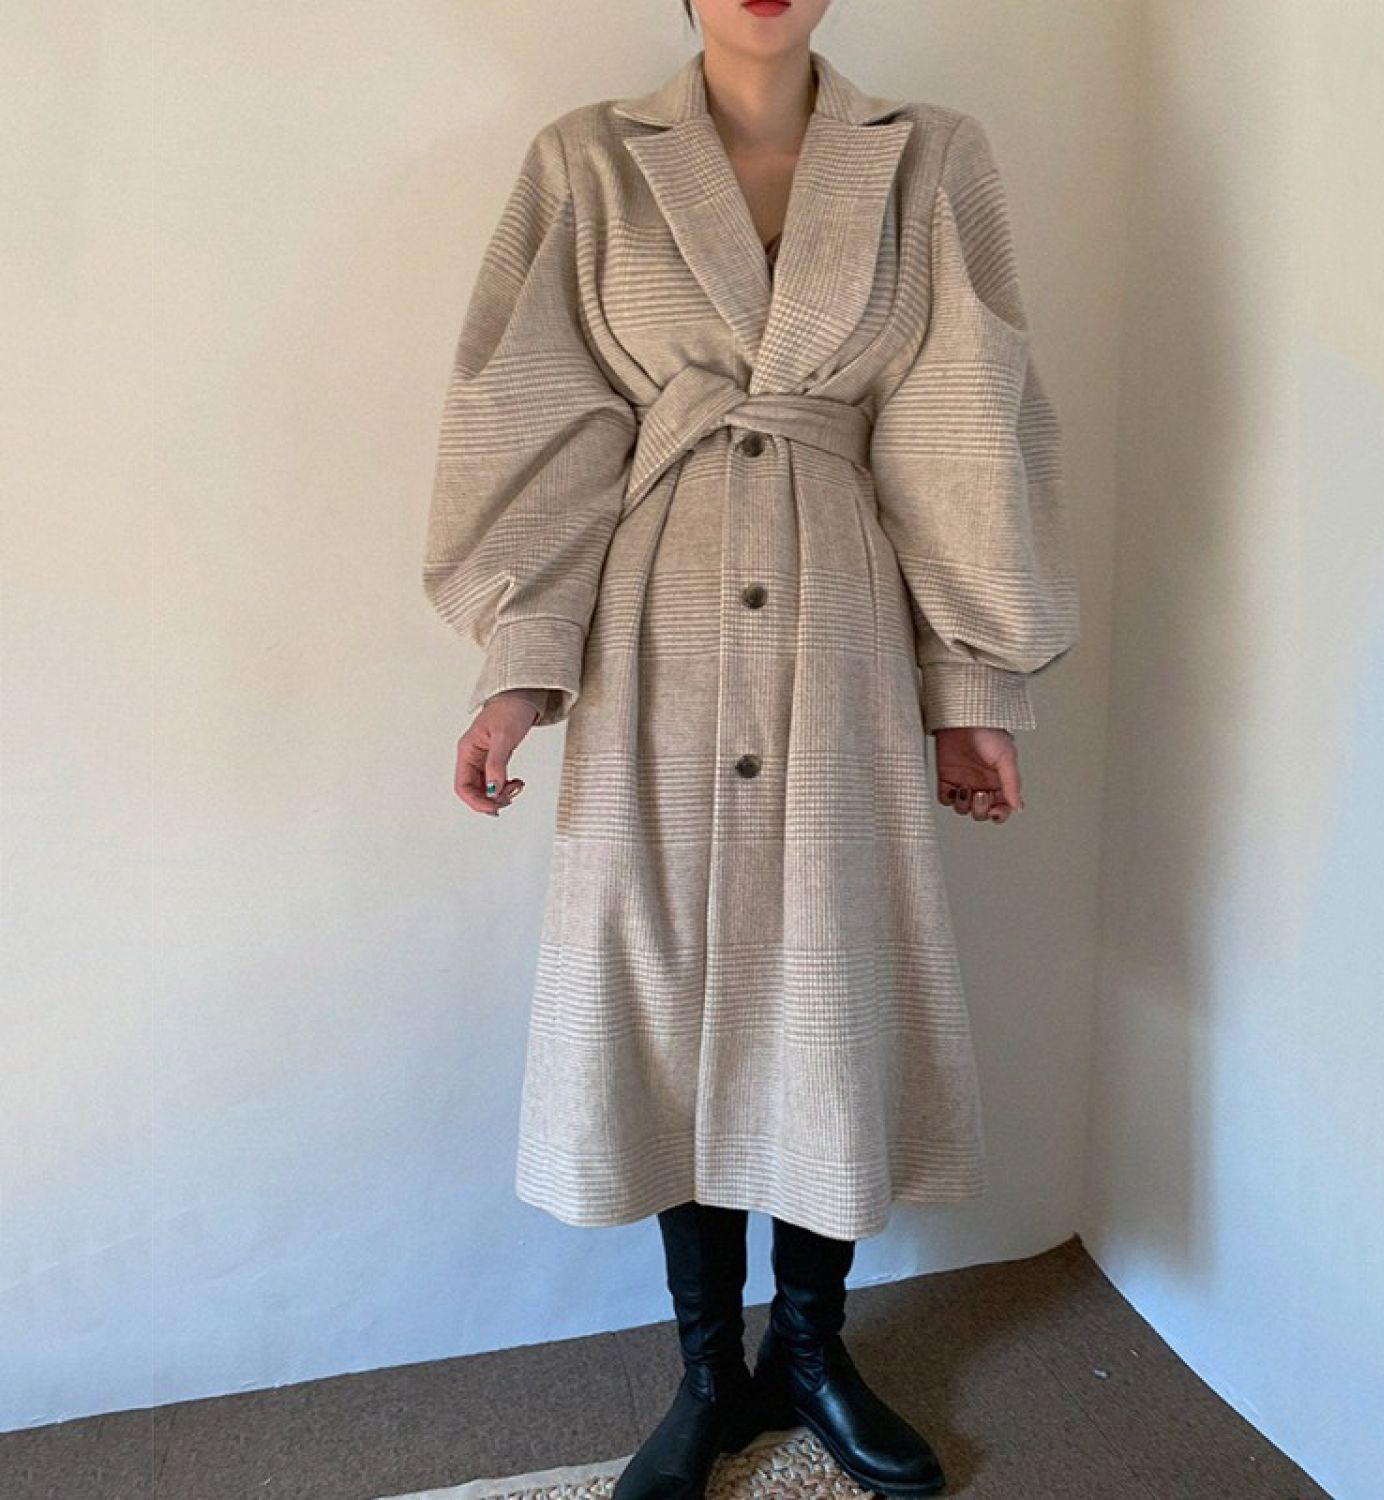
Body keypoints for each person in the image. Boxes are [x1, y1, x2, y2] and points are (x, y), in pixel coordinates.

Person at [421, 1, 1081, 1495]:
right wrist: (519, 673)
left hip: (841, 632)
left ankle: (814, 1351)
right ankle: (709, 1373)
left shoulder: (928, 159)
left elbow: (966, 423)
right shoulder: (587, 163)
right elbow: (534, 423)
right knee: (666, 988)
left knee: (828, 979)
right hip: (655, 635)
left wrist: (970, 682)